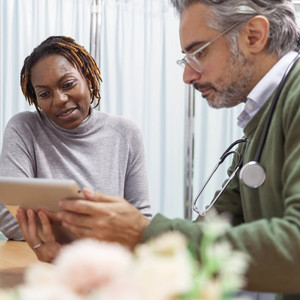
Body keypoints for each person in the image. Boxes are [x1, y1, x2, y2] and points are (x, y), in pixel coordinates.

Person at [11, 1, 300, 299]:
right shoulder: (261, 121)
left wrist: (142, 233)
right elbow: (209, 237)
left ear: (253, 36)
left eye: (199, 52)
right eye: (186, 58)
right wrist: (76, 261)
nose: (187, 76)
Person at [0, 36, 152, 250]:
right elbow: (8, 218)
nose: (60, 99)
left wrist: (48, 227)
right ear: (35, 99)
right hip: (39, 262)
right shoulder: (24, 128)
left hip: (106, 263)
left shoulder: (126, 134)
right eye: (44, 94)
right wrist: (102, 230)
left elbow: (141, 224)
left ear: (88, 79)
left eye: (68, 84)